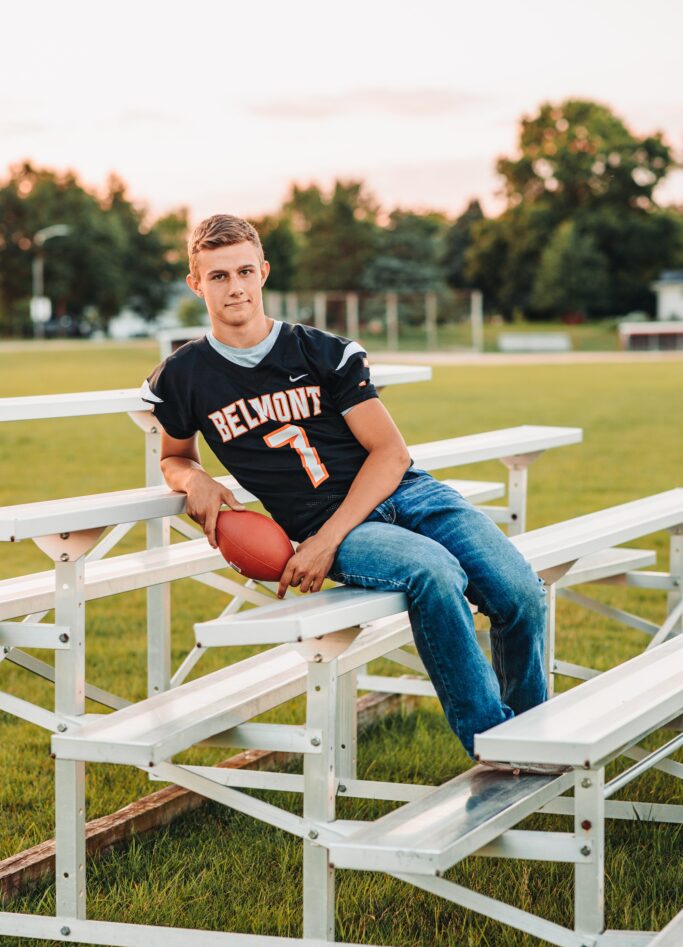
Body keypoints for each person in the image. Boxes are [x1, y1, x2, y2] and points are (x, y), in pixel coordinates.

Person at [141, 213, 549, 766]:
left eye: (243, 271)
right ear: (196, 284)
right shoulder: (183, 376)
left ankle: (532, 738)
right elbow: (174, 455)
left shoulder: (320, 351)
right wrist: (195, 478)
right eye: (217, 277)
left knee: (519, 591)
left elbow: (391, 454)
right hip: (321, 516)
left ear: (263, 272)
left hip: (405, 494)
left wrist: (326, 543)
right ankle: (494, 746)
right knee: (433, 572)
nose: (234, 287)